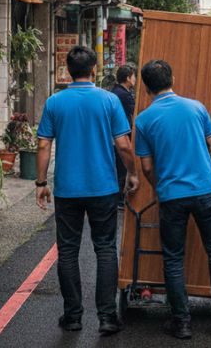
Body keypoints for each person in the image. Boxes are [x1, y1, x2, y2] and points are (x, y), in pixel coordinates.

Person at [35, 46, 139, 336]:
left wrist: (41, 183)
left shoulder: (55, 102)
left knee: (67, 251)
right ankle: (107, 317)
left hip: (67, 189)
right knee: (105, 248)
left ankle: (72, 316)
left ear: (69, 71)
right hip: (103, 187)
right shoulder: (108, 100)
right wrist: (132, 173)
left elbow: (43, 145)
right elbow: (124, 145)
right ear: (94, 69)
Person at [134, 59, 211, 340]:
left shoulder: (143, 120)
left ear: (145, 87)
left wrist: (161, 187)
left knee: (174, 258)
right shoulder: (196, 107)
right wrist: (205, 173)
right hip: (205, 191)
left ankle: (182, 322)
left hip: (171, 196)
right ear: (173, 79)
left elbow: (147, 168)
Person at [111, 64, 137, 202]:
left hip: (114, 135)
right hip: (121, 135)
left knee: (118, 166)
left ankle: (119, 196)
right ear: (128, 78)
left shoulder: (115, 91)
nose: (135, 79)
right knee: (122, 167)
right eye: (134, 76)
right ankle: (120, 198)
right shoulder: (124, 95)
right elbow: (134, 114)